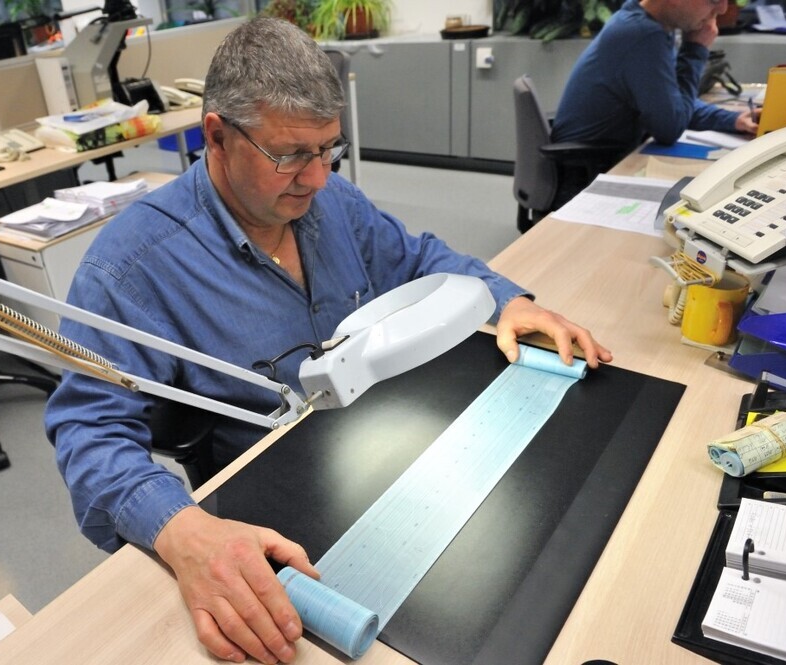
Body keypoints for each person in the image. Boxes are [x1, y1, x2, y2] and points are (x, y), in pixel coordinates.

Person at [45, 17, 612, 664]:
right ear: (217, 137)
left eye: (328, 150)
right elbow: (88, 434)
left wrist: (509, 300)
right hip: (286, 511)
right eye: (290, 155)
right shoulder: (131, 267)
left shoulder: (329, 200)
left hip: (387, 452)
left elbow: (418, 259)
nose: (316, 178)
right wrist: (185, 532)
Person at [550, 0, 760, 205]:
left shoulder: (649, 24)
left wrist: (733, 120)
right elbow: (670, 128)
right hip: (582, 178)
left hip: (603, 162)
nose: (723, 9)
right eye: (713, 0)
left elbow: (671, 102)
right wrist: (695, 50)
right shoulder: (643, 34)